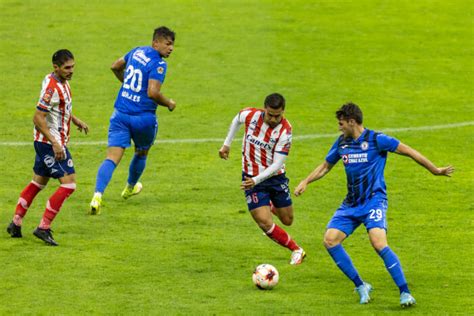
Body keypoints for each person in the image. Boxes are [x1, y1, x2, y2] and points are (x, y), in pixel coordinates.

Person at [294, 102, 454, 306]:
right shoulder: (342, 143)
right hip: (351, 204)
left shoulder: (377, 140)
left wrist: (435, 170)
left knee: (378, 243)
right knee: (330, 240)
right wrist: (306, 181)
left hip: (373, 201)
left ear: (352, 122)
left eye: (341, 123)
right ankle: (361, 285)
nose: (339, 127)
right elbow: (326, 166)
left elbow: (410, 151)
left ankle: (405, 292)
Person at [89, 26, 176, 214]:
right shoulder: (159, 64)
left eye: (172, 45)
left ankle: (97, 195)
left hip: (120, 114)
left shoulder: (136, 51)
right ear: (156, 43)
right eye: (167, 44)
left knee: (111, 158)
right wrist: (168, 103)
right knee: (142, 152)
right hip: (143, 118)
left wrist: (127, 84)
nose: (171, 49)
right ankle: (129, 188)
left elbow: (115, 66)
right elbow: (153, 93)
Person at [6, 49, 89, 246]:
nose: (71, 71)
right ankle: (43, 227)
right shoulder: (52, 88)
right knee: (69, 184)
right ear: (56, 67)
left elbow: (61, 107)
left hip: (49, 141)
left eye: (73, 66)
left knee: (38, 183)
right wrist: (55, 142)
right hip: (49, 143)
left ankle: (15, 223)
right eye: (67, 68)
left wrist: (74, 120)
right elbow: (37, 118)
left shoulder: (62, 83)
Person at [219, 93, 306, 265]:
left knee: (287, 220)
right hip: (251, 178)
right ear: (264, 109)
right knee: (265, 223)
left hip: (275, 178)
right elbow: (237, 119)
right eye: (270, 115)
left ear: (283, 112)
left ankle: (269, 204)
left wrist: (256, 180)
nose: (274, 119)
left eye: (278, 116)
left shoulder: (285, 131)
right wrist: (227, 144)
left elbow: (277, 164)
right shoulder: (250, 115)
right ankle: (296, 249)